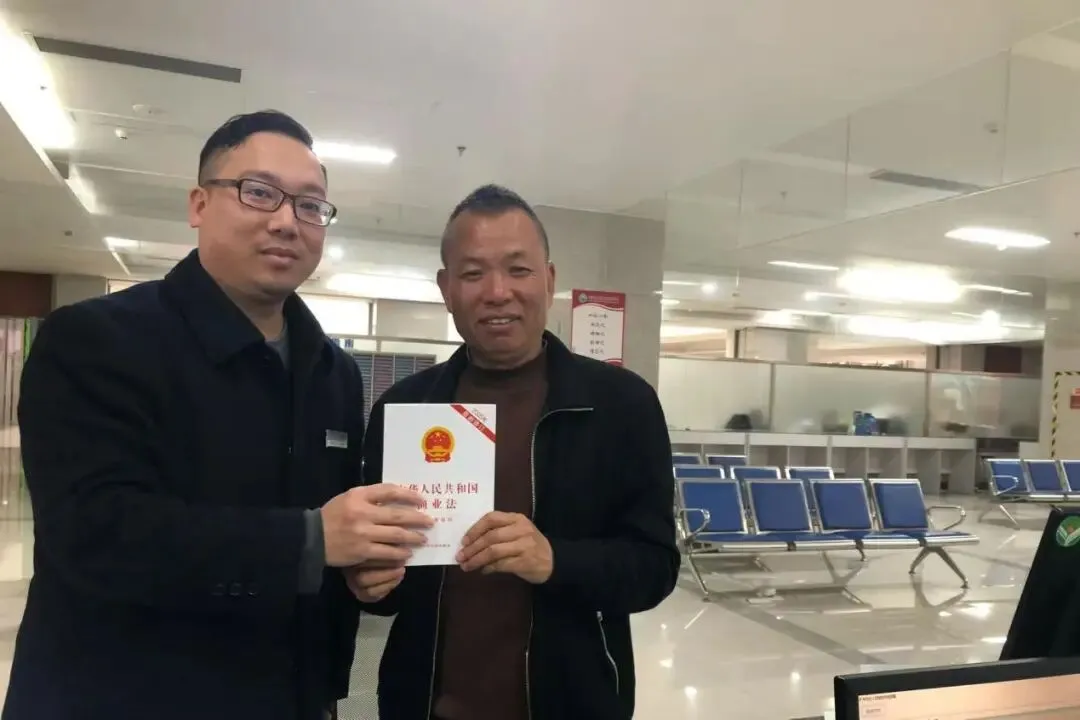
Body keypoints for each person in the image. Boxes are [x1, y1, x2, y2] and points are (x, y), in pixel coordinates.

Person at [4, 110, 431, 720]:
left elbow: (330, 532)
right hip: (125, 695)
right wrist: (311, 542)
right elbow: (94, 533)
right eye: (258, 192)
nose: (286, 220)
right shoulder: (98, 340)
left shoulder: (332, 372)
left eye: (310, 205)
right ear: (199, 205)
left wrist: (362, 571)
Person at [350, 184, 680, 720]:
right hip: (425, 704)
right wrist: (369, 583)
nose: (497, 292)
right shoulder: (405, 408)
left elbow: (655, 567)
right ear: (446, 288)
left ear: (549, 280)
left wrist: (555, 560)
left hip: (573, 704)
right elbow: (387, 580)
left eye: (518, 270)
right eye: (473, 273)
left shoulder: (621, 405)